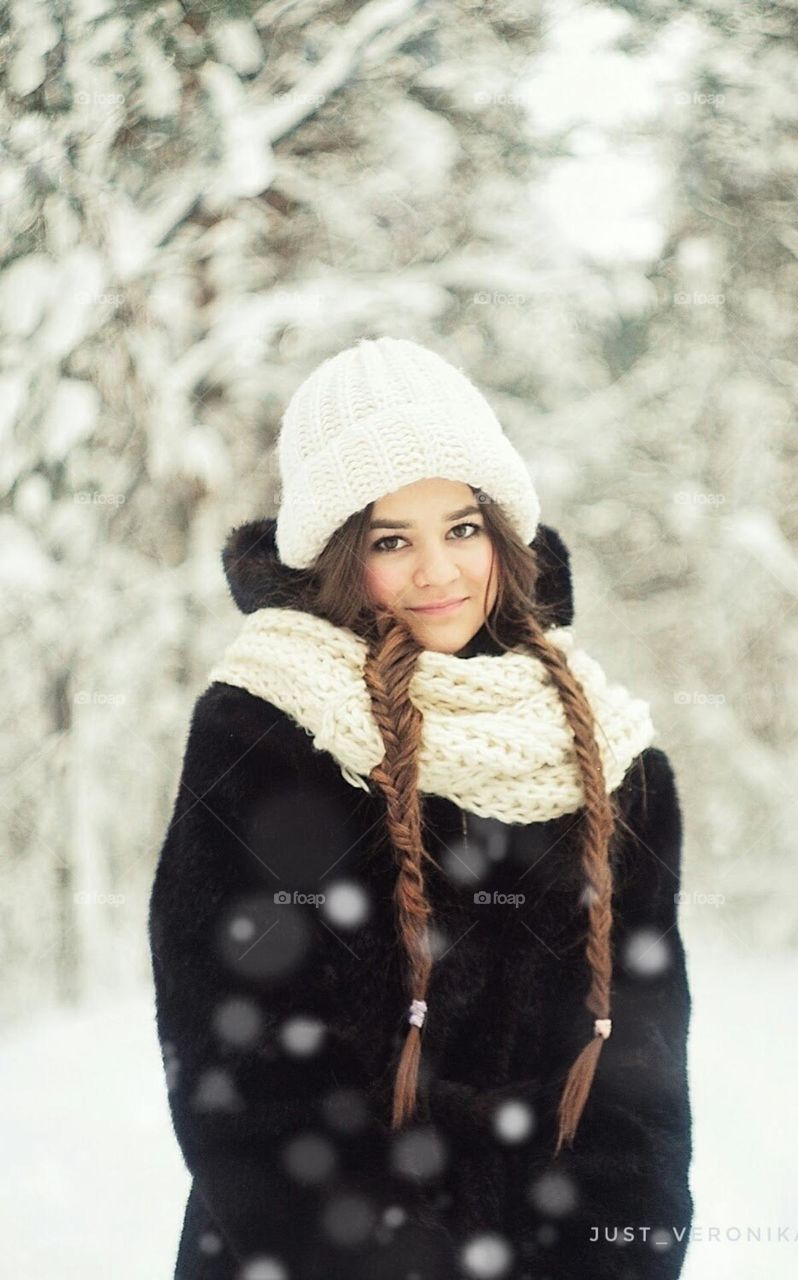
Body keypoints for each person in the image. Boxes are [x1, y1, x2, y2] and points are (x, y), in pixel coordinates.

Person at [148, 336, 694, 1280]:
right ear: (334, 553)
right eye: (391, 540)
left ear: (503, 532)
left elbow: (641, 1079)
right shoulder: (268, 734)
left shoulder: (612, 757)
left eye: (464, 527)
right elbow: (240, 1066)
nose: (439, 572)